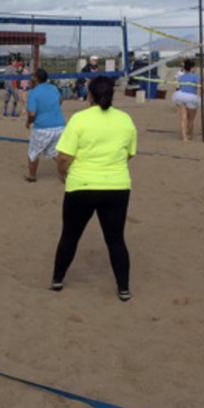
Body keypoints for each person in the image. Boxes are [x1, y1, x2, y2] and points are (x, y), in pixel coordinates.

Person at [51, 76, 137, 301]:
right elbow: (128, 154)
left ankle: (57, 279)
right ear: (112, 95)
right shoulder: (125, 120)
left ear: (89, 95)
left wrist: (62, 173)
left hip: (82, 185)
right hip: (117, 186)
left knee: (70, 236)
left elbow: (63, 157)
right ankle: (123, 288)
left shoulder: (79, 119)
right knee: (116, 239)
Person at [24, 68, 66, 181]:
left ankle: (32, 176)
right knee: (54, 152)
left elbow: (32, 114)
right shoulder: (53, 88)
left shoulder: (33, 93)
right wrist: (52, 109)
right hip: (60, 125)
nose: (31, 77)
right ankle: (68, 173)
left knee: (33, 153)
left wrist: (28, 122)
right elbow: (61, 100)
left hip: (43, 128)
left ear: (36, 78)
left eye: (33, 75)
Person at [172, 58, 201, 142]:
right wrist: (198, 97)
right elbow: (199, 87)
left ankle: (184, 137)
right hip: (191, 97)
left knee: (183, 118)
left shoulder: (181, 76)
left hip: (181, 96)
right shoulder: (196, 76)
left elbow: (178, 86)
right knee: (190, 119)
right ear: (192, 68)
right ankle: (190, 135)